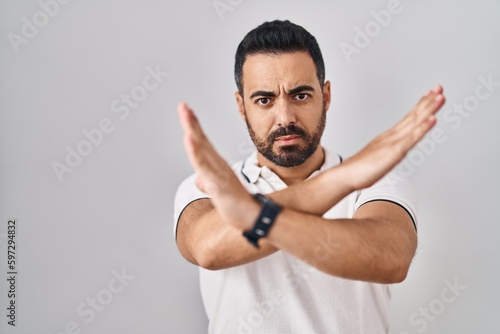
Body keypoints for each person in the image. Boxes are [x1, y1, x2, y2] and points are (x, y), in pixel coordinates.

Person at [173, 20, 445, 334]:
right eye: (264, 100)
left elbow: (390, 258)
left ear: (325, 96)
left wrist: (253, 216)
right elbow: (208, 248)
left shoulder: (379, 183)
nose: (285, 117)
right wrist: (340, 180)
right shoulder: (208, 186)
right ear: (241, 106)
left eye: (300, 95)